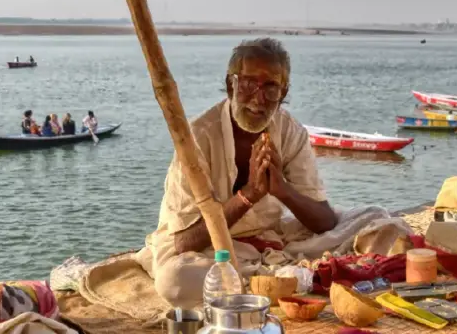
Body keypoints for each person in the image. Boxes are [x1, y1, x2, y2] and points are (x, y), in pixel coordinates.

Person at [137, 37, 341, 308]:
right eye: (247, 84)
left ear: (283, 92)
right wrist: (248, 196)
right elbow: (184, 241)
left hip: (271, 240)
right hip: (210, 251)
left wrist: (283, 191)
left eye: (270, 87)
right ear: (230, 85)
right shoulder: (198, 137)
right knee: (174, 279)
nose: (258, 99)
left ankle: (270, 280)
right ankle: (279, 280)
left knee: (377, 220)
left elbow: (325, 220)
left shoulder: (290, 131)